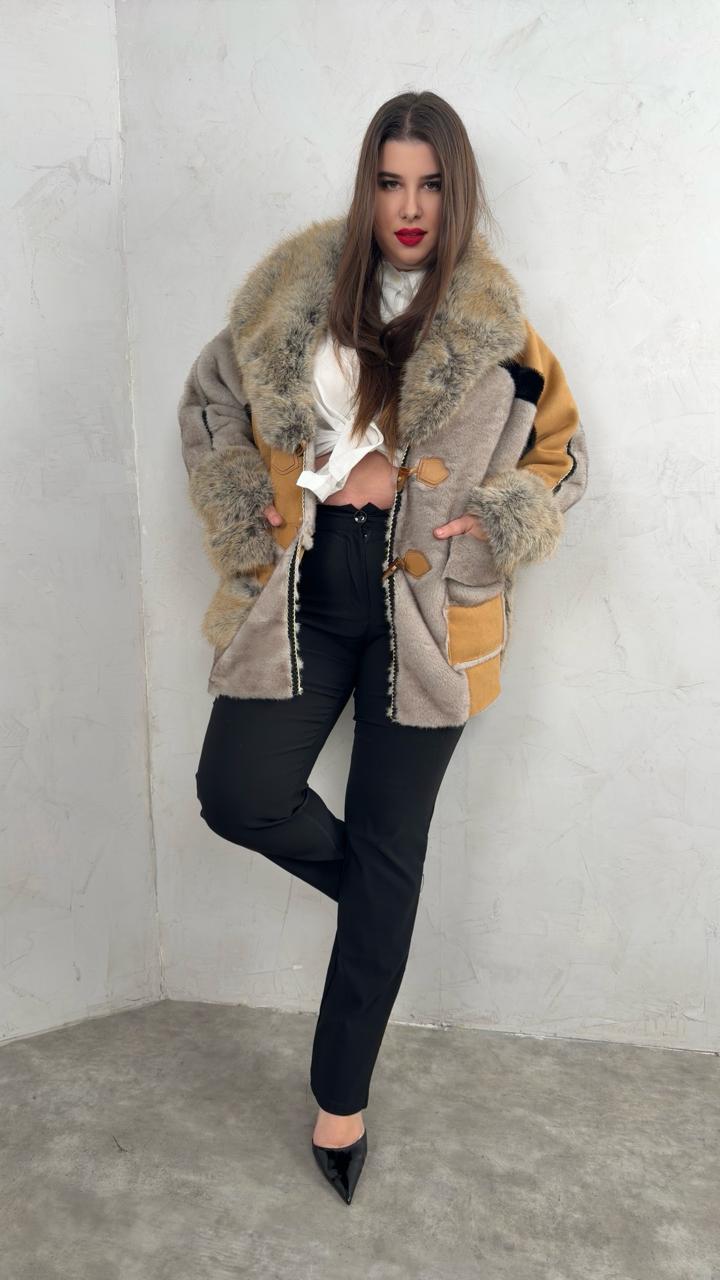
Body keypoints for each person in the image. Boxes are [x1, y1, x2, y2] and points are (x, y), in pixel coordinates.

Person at [177, 90, 588, 1205]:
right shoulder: (294, 295)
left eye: (432, 184)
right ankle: (382, 900)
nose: (410, 206)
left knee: (393, 842)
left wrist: (496, 524)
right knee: (239, 792)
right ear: (368, 188)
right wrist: (243, 499)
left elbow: (562, 455)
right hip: (307, 588)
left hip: (430, 610)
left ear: (457, 192)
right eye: (391, 181)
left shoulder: (500, 326)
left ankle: (341, 1100)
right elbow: (211, 401)